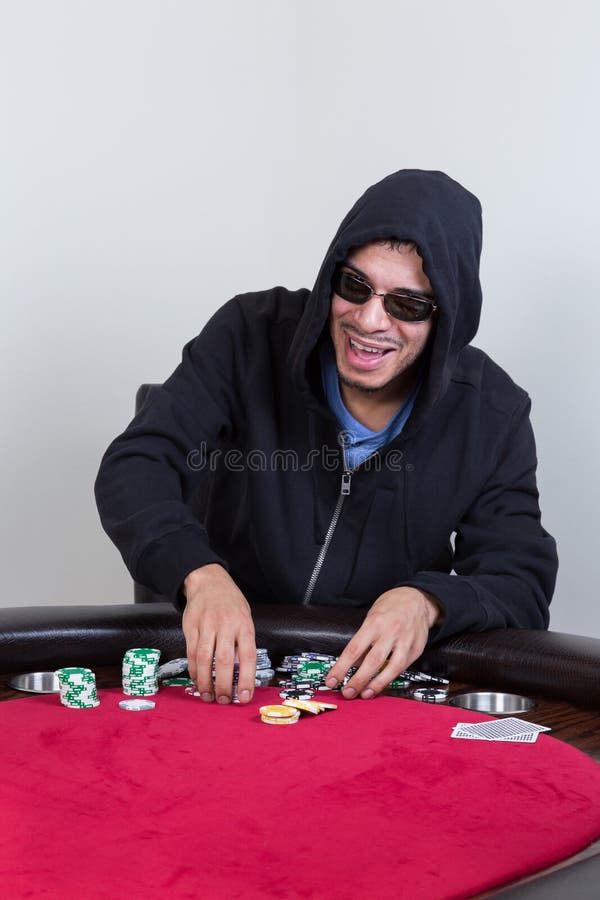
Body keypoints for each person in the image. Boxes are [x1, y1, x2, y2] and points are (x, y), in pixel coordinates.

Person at [95, 169, 558, 705]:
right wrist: (201, 576)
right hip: (221, 675)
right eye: (354, 286)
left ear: (448, 320)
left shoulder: (492, 412)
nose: (370, 320)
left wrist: (427, 601)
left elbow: (520, 580)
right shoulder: (248, 333)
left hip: (372, 690)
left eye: (407, 305)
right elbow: (136, 467)